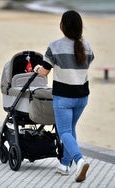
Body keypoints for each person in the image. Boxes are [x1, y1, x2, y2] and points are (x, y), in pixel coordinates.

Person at [34, 10, 94, 182]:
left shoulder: (55, 46)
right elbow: (88, 62)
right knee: (70, 130)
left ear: (62, 26)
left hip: (64, 97)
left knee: (64, 131)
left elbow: (45, 70)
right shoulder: (87, 46)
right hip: (82, 97)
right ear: (80, 26)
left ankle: (79, 160)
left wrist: (37, 69)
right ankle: (64, 165)